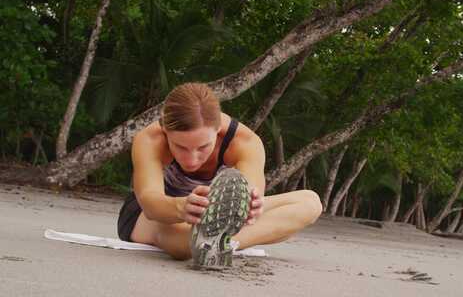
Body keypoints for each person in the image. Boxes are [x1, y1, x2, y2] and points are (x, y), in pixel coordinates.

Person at [117, 82, 322, 260]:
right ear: (165, 130)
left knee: (310, 202)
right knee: (181, 245)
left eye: (203, 147)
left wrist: (251, 207)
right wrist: (182, 207)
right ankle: (236, 239)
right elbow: (150, 202)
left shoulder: (245, 142)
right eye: (180, 147)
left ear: (218, 130)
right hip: (153, 214)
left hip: (211, 211)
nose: (192, 159)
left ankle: (214, 243)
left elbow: (249, 192)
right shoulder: (150, 139)